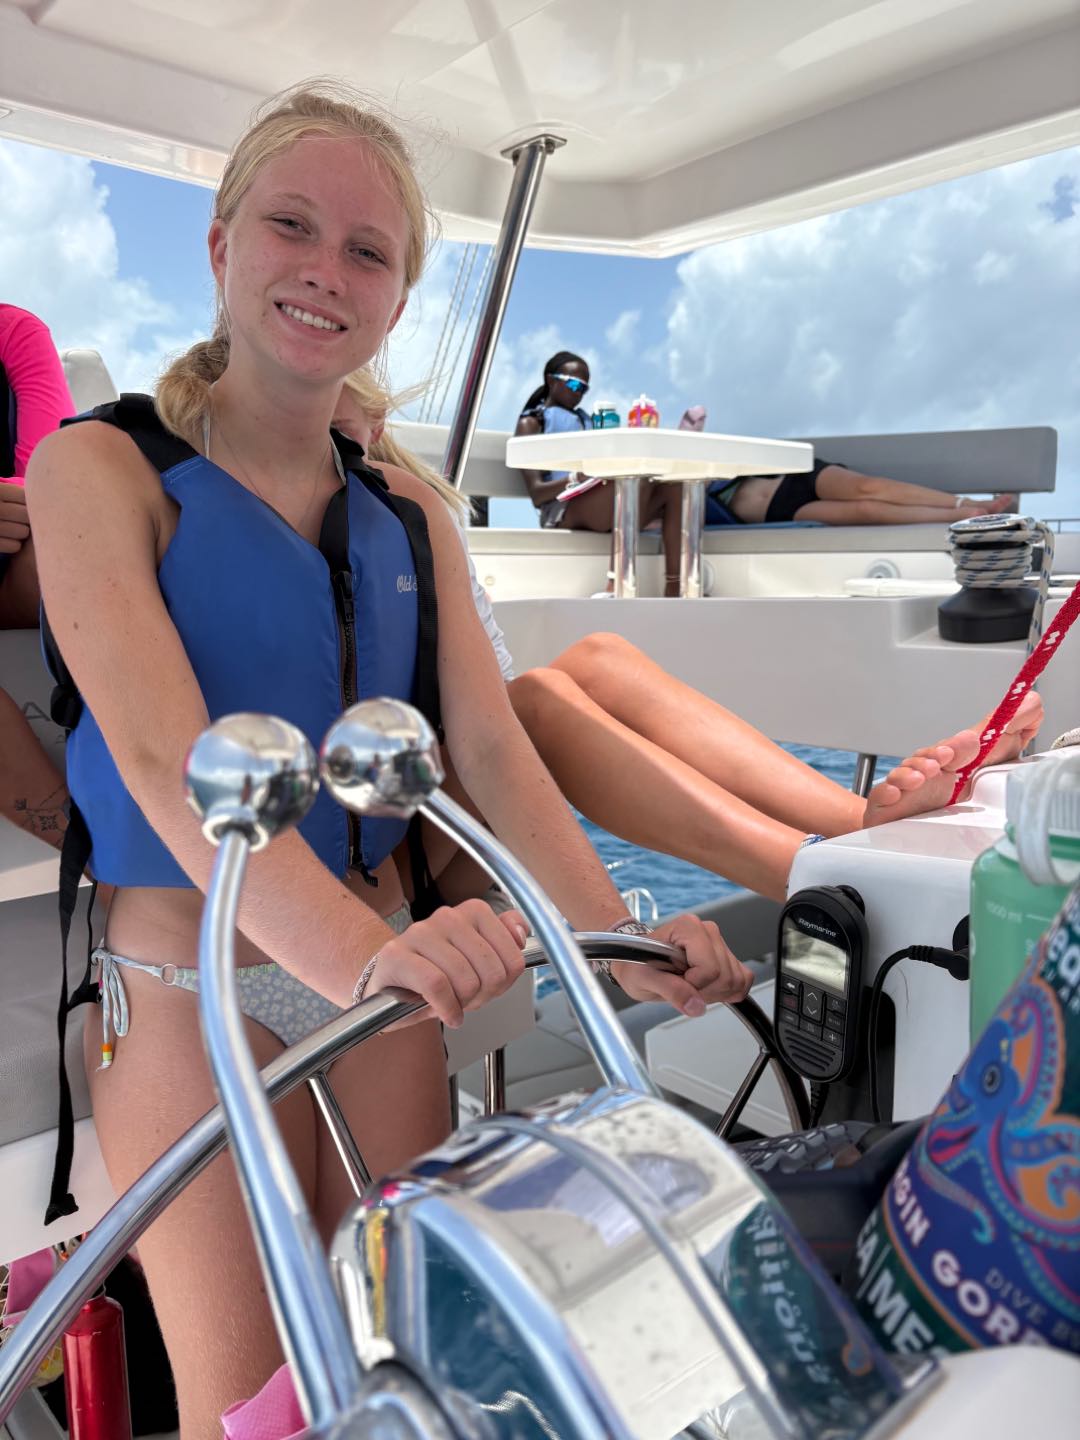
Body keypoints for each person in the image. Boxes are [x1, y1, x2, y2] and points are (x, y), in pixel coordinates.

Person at [26, 82, 751, 1436]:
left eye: (368, 250)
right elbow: (162, 752)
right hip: (189, 986)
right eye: (291, 226)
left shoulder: (411, 511)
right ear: (222, 246)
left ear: (400, 295)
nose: (326, 269)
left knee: (407, 1376)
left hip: (379, 982)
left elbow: (492, 749)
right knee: (254, 1411)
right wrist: (366, 961)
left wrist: (624, 943)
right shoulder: (97, 470)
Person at [337, 373, 1044, 905]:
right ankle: (808, 873)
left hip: (438, 804)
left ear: (375, 419)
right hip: (376, 857)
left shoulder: (412, 512)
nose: (335, 452)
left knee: (600, 657)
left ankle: (858, 824)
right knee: (535, 700)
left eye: (346, 430)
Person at [514, 352, 686, 595]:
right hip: (563, 509)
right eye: (575, 385)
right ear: (551, 380)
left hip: (602, 499)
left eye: (585, 388)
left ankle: (675, 585)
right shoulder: (532, 424)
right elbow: (537, 494)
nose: (580, 393)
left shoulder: (586, 421)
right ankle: (616, 582)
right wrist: (577, 478)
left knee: (674, 485)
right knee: (634, 481)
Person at [0, 304, 76, 851]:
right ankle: (101, 870)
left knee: (77, 530)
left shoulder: (14, 330)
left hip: (14, 553)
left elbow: (50, 472)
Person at [707, 459, 1017, 527]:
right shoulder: (682, 499)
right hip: (779, 513)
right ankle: (963, 515)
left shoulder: (704, 457)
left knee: (868, 487)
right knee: (866, 510)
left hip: (794, 478)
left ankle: (968, 502)